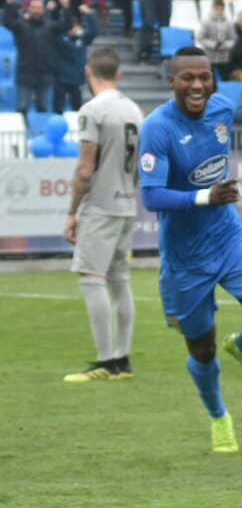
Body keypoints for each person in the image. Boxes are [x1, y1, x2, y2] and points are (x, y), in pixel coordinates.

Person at [138, 47, 242, 452]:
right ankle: (219, 417)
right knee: (202, 352)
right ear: (171, 82)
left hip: (227, 237)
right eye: (188, 77)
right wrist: (206, 196)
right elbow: (151, 198)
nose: (198, 85)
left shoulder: (222, 109)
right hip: (185, 257)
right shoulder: (157, 128)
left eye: (204, 76)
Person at [62, 47, 145, 382]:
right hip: (126, 202)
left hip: (101, 205)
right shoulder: (134, 109)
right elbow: (140, 163)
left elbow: (85, 167)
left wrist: (72, 211)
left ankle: (105, 360)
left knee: (92, 278)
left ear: (88, 72)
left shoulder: (92, 110)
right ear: (119, 74)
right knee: (120, 279)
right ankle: (122, 359)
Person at [2, 0, 61, 114]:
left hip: (46, 74)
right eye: (34, 7)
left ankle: (43, 132)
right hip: (25, 74)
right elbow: (8, 22)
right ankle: (22, 132)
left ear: (43, 10)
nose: (36, 10)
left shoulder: (50, 26)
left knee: (44, 108)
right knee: (23, 108)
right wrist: (9, 4)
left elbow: (66, 25)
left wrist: (65, 8)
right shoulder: (21, 25)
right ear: (28, 8)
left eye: (39, 7)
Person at [50, 0, 98, 112]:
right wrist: (50, 11)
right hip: (61, 79)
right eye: (71, 27)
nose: (74, 29)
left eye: (76, 26)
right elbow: (49, 28)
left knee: (77, 108)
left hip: (76, 80)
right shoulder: (60, 39)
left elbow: (93, 31)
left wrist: (89, 15)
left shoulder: (82, 39)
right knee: (58, 108)